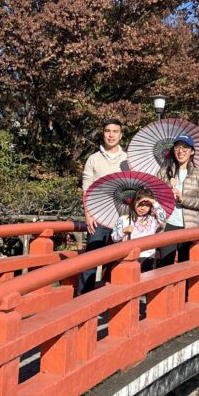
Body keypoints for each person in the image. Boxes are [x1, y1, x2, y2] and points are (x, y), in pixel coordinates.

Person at [79, 119, 129, 294]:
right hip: (98, 215)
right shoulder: (94, 159)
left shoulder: (128, 159)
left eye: (115, 131)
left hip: (123, 215)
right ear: (103, 133)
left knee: (122, 260)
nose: (111, 135)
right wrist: (88, 213)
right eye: (108, 131)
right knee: (91, 259)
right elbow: (86, 188)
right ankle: (83, 299)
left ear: (121, 135)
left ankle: (115, 298)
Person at [157, 135, 199, 268]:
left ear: (192, 151)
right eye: (177, 147)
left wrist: (183, 199)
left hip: (189, 226)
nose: (181, 151)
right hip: (168, 224)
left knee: (185, 267)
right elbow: (155, 197)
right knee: (165, 266)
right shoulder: (164, 172)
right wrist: (168, 187)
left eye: (185, 147)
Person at [110, 188, 167, 272]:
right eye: (140, 204)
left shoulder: (152, 219)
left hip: (147, 255)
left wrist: (154, 202)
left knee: (146, 281)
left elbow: (163, 219)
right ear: (134, 202)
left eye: (147, 205)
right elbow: (114, 237)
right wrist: (123, 231)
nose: (142, 208)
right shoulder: (124, 219)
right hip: (128, 256)